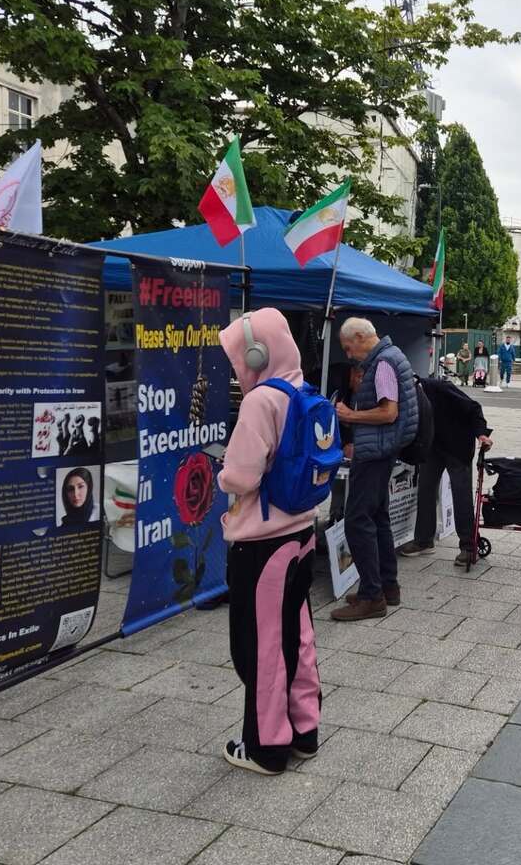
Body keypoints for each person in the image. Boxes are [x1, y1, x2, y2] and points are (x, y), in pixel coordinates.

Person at [217, 307, 322, 775]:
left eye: (239, 355)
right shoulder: (302, 389)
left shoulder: (261, 401)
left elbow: (241, 477)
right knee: (298, 637)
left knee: (261, 645)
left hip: (262, 545)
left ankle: (266, 747)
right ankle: (304, 731)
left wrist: (222, 472)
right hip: (301, 534)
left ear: (257, 354)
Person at [332, 318, 418, 621]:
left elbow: (388, 412)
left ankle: (372, 596)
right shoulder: (391, 356)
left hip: (376, 450)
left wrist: (349, 415)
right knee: (378, 517)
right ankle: (387, 586)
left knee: (357, 520)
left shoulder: (382, 363)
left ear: (359, 336)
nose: (349, 355)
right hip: (385, 448)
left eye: (348, 348)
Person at [400, 377, 493, 567]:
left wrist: (481, 434)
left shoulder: (439, 387)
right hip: (434, 446)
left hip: (458, 446)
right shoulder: (406, 398)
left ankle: (468, 546)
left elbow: (474, 408)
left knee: (461, 495)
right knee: (426, 489)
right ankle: (424, 540)